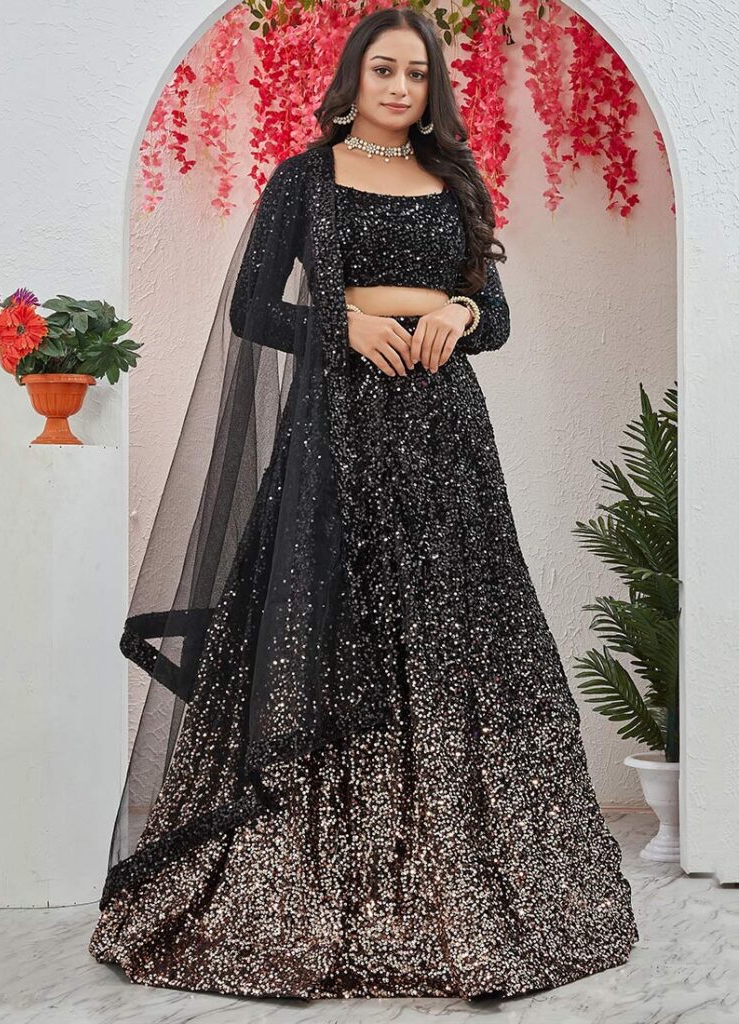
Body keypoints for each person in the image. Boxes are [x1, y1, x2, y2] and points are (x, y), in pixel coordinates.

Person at [89, 6, 639, 1001]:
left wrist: (459, 310)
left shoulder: (454, 181)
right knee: (328, 633)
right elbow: (252, 310)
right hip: (333, 438)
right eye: (384, 70)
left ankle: (450, 894)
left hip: (443, 442)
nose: (399, 88)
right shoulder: (304, 179)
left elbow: (494, 313)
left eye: (416, 75)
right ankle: (310, 891)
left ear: (431, 89)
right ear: (352, 77)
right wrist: (343, 323)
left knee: (443, 642)